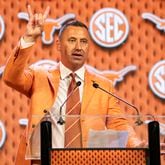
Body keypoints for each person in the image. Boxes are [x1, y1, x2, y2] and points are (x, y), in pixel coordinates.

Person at [3, 5, 142, 165]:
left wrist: (137, 145)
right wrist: (29, 39)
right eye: (72, 40)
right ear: (58, 45)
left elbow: (119, 124)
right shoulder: (39, 76)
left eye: (83, 42)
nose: (78, 47)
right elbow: (11, 77)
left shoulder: (103, 86)